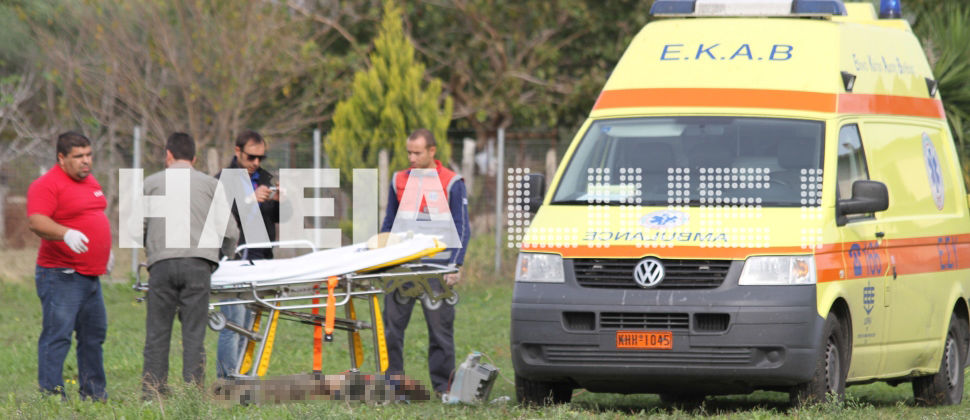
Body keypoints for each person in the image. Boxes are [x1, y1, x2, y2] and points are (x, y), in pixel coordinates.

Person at [141, 133, 239, 398]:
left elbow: (139, 227)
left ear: (168, 155)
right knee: (194, 334)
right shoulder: (210, 184)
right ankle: (193, 395)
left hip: (161, 265)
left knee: (157, 332)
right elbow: (230, 231)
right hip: (198, 265)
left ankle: (152, 393)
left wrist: (153, 252)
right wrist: (224, 257)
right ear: (194, 159)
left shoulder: (150, 183)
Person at [380, 128, 470, 397]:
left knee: (440, 332)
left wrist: (455, 265)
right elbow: (389, 222)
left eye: (417, 153)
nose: (411, 158)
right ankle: (394, 387)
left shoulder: (452, 182)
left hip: (437, 270)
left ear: (432, 151)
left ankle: (444, 389)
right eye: (409, 152)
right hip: (402, 267)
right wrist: (381, 261)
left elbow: (462, 226)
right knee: (391, 331)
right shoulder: (398, 180)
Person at [27, 131, 111, 401]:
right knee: (58, 335)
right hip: (60, 274)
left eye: (88, 155)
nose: (86, 161)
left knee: (93, 335)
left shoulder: (90, 181)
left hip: (90, 275)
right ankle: (52, 396)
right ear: (61, 158)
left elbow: (93, 215)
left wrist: (104, 252)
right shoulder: (46, 184)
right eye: (79, 156)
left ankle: (94, 394)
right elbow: (36, 221)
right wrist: (66, 233)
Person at [216, 130, 280, 378]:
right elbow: (219, 217)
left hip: (259, 259)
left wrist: (280, 202)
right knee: (232, 325)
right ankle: (226, 380)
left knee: (251, 326)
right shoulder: (222, 180)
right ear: (237, 151)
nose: (256, 163)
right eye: (251, 157)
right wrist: (249, 200)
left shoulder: (265, 178)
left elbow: (278, 219)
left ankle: (242, 376)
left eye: (261, 158)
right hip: (233, 261)